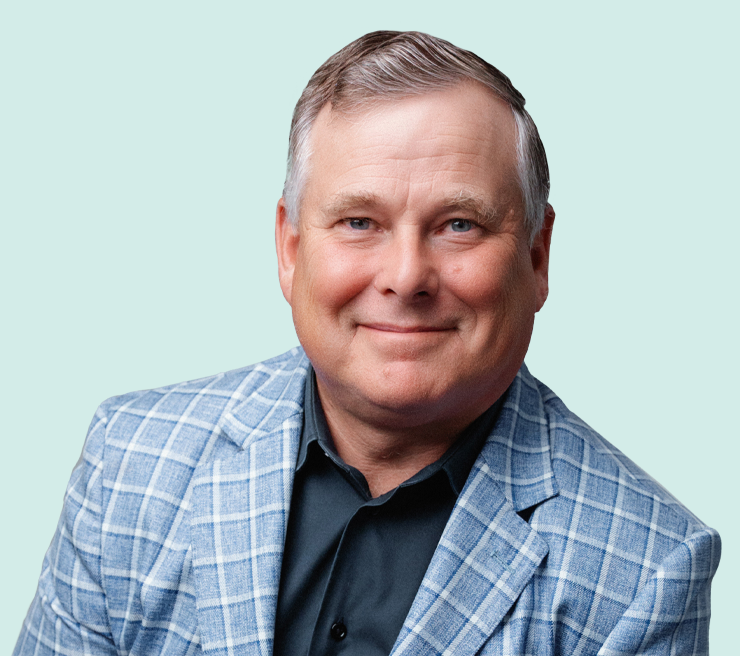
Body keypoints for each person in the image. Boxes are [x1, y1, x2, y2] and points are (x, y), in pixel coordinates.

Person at [15, 31, 720, 656]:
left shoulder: (645, 570)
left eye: (459, 225)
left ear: (537, 257)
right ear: (290, 249)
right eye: (359, 222)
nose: (406, 276)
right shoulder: (130, 464)